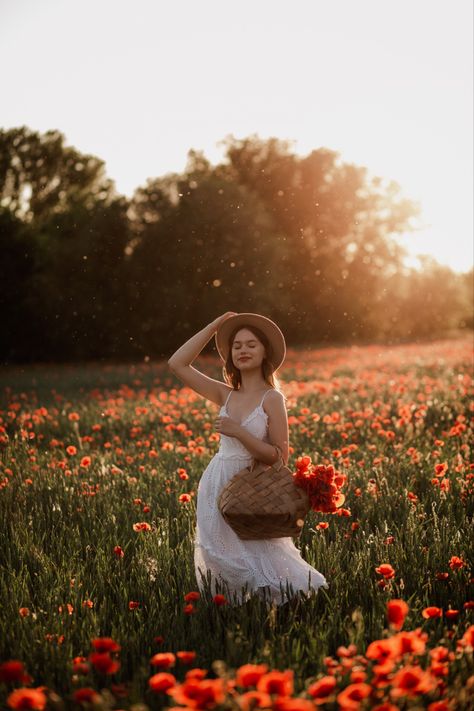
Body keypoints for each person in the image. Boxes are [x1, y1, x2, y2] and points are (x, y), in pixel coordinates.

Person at [168, 312, 329, 605]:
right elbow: (177, 363)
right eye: (237, 345)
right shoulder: (225, 394)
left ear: (265, 351)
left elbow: (279, 457)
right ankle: (233, 609)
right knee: (220, 552)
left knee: (260, 549)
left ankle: (278, 606)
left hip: (255, 486)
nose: (243, 350)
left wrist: (239, 432)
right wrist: (214, 327)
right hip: (218, 482)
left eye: (251, 344)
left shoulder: (272, 398)